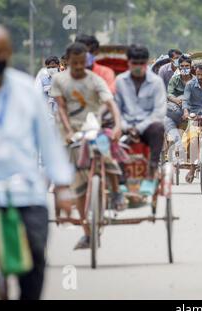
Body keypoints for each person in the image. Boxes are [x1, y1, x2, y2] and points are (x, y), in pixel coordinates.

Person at [0, 25, 73, 300]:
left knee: (35, 254)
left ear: (8, 54)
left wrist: (62, 185)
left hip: (25, 191)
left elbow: (48, 143)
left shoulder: (25, 91)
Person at [51, 42, 125, 250]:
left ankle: (116, 190)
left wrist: (118, 125)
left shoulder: (95, 80)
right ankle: (86, 232)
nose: (77, 67)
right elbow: (62, 108)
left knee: (106, 148)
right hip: (69, 133)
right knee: (77, 187)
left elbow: (111, 104)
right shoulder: (59, 80)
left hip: (92, 127)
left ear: (87, 62)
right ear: (67, 62)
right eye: (73, 63)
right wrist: (69, 131)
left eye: (81, 63)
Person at [115, 44, 167, 177]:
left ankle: (152, 170)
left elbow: (159, 112)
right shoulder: (120, 81)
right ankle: (118, 176)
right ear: (129, 63)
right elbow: (116, 109)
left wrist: (139, 128)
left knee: (158, 128)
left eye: (141, 63)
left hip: (147, 126)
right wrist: (125, 127)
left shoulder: (156, 82)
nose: (138, 66)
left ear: (147, 63)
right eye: (134, 63)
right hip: (124, 126)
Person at [165, 54, 195, 156]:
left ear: (191, 67)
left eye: (187, 66)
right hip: (176, 108)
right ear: (179, 67)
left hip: (192, 109)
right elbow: (169, 94)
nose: (184, 68)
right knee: (165, 118)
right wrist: (176, 100)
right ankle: (178, 144)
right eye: (182, 66)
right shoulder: (175, 79)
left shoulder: (195, 80)